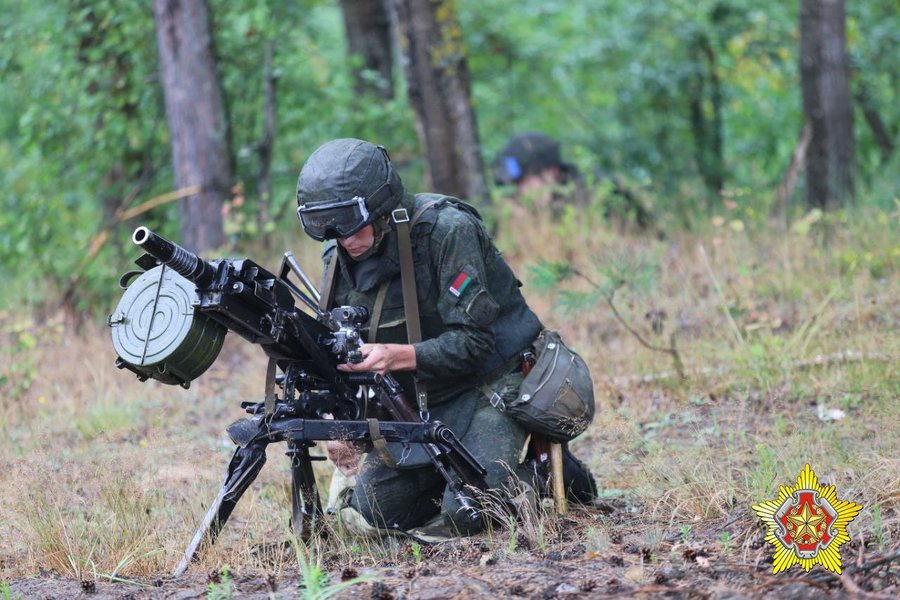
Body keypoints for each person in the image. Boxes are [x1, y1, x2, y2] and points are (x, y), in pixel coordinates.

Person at [295, 138, 595, 536]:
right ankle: (454, 474)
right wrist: (336, 425)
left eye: (351, 220)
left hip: (491, 382)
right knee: (378, 512)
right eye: (327, 225)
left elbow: (475, 345)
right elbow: (337, 354)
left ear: (382, 205)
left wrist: (392, 356)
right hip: (420, 403)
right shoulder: (337, 263)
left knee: (472, 512)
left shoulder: (447, 231)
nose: (344, 237)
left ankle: (543, 474)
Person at [492, 132, 654, 229]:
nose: (521, 192)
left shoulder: (594, 193)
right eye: (516, 186)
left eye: (524, 182)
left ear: (552, 172)